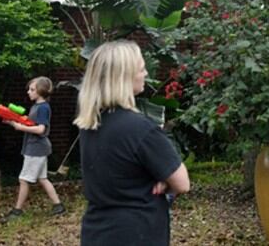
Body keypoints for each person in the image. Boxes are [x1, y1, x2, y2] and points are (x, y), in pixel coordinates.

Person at [74, 40, 190, 245]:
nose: (145, 74)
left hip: (97, 233)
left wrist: (162, 176)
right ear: (124, 76)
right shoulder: (140, 129)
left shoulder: (89, 124)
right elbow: (182, 183)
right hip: (137, 233)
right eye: (142, 68)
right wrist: (166, 182)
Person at [2, 76, 66, 221]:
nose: (28, 92)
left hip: (36, 149)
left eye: (32, 89)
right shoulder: (37, 106)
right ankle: (58, 206)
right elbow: (31, 125)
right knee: (42, 179)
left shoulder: (43, 107)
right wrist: (13, 122)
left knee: (24, 179)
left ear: (41, 91)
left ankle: (17, 211)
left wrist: (20, 127)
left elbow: (40, 129)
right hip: (36, 148)